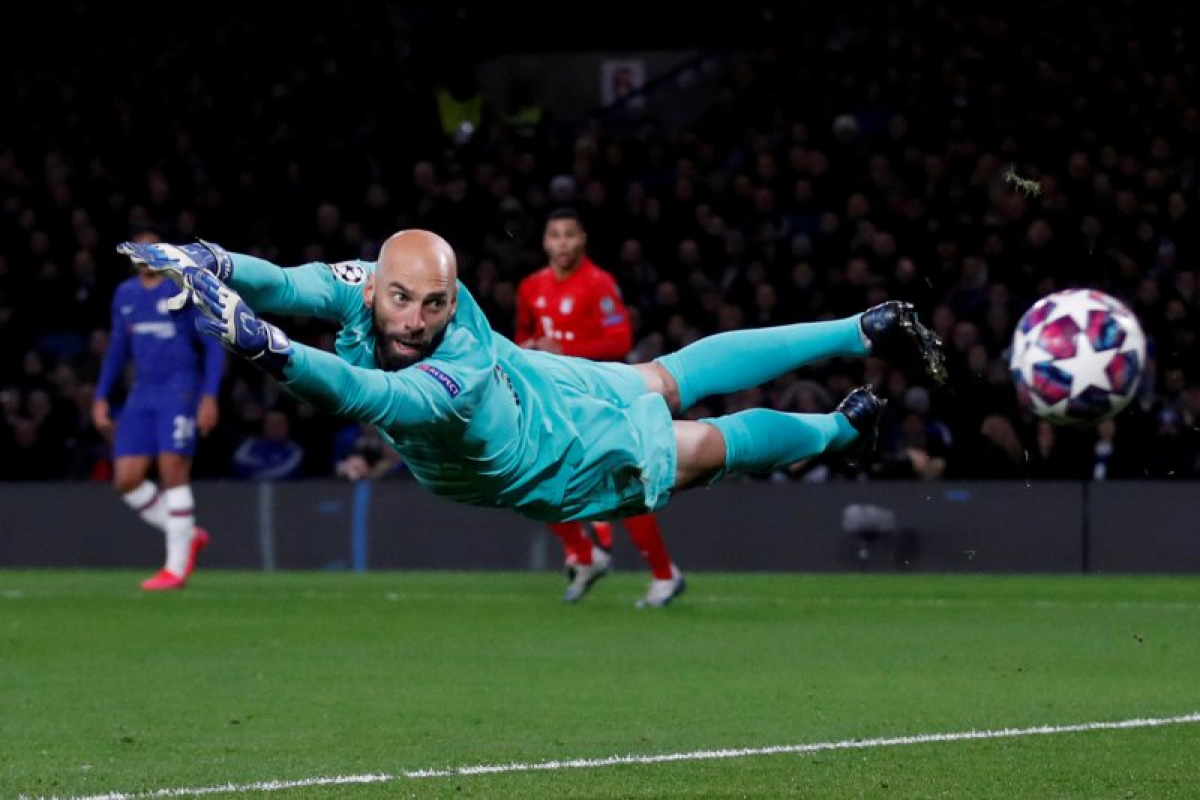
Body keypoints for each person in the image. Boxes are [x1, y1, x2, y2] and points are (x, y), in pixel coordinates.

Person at [114, 231, 946, 558]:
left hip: (544, 437)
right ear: (376, 286)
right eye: (399, 299)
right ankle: (851, 380)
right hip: (533, 418)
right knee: (679, 410)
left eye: (433, 304)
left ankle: (851, 382)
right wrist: (216, 262)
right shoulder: (369, 286)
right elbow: (293, 281)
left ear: (452, 299)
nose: (413, 319)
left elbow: (373, 398)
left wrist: (266, 348)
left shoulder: (458, 361)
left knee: (681, 417)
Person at [516, 207, 684, 607]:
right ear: (545, 241)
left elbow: (620, 340)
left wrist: (565, 352)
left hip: (597, 397)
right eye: (554, 235)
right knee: (530, 479)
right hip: (553, 400)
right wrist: (527, 348)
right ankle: (586, 554)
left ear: (582, 239)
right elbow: (523, 333)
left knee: (623, 482)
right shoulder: (531, 288)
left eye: (569, 235)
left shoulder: (599, 283)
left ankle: (664, 574)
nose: (561, 243)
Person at [93, 230, 225, 591]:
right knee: (126, 478)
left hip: (179, 390)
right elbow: (119, 348)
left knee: (172, 468)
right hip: (142, 393)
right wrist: (101, 395)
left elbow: (213, 345)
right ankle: (187, 534)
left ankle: (175, 568)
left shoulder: (182, 288)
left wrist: (209, 396)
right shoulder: (125, 294)